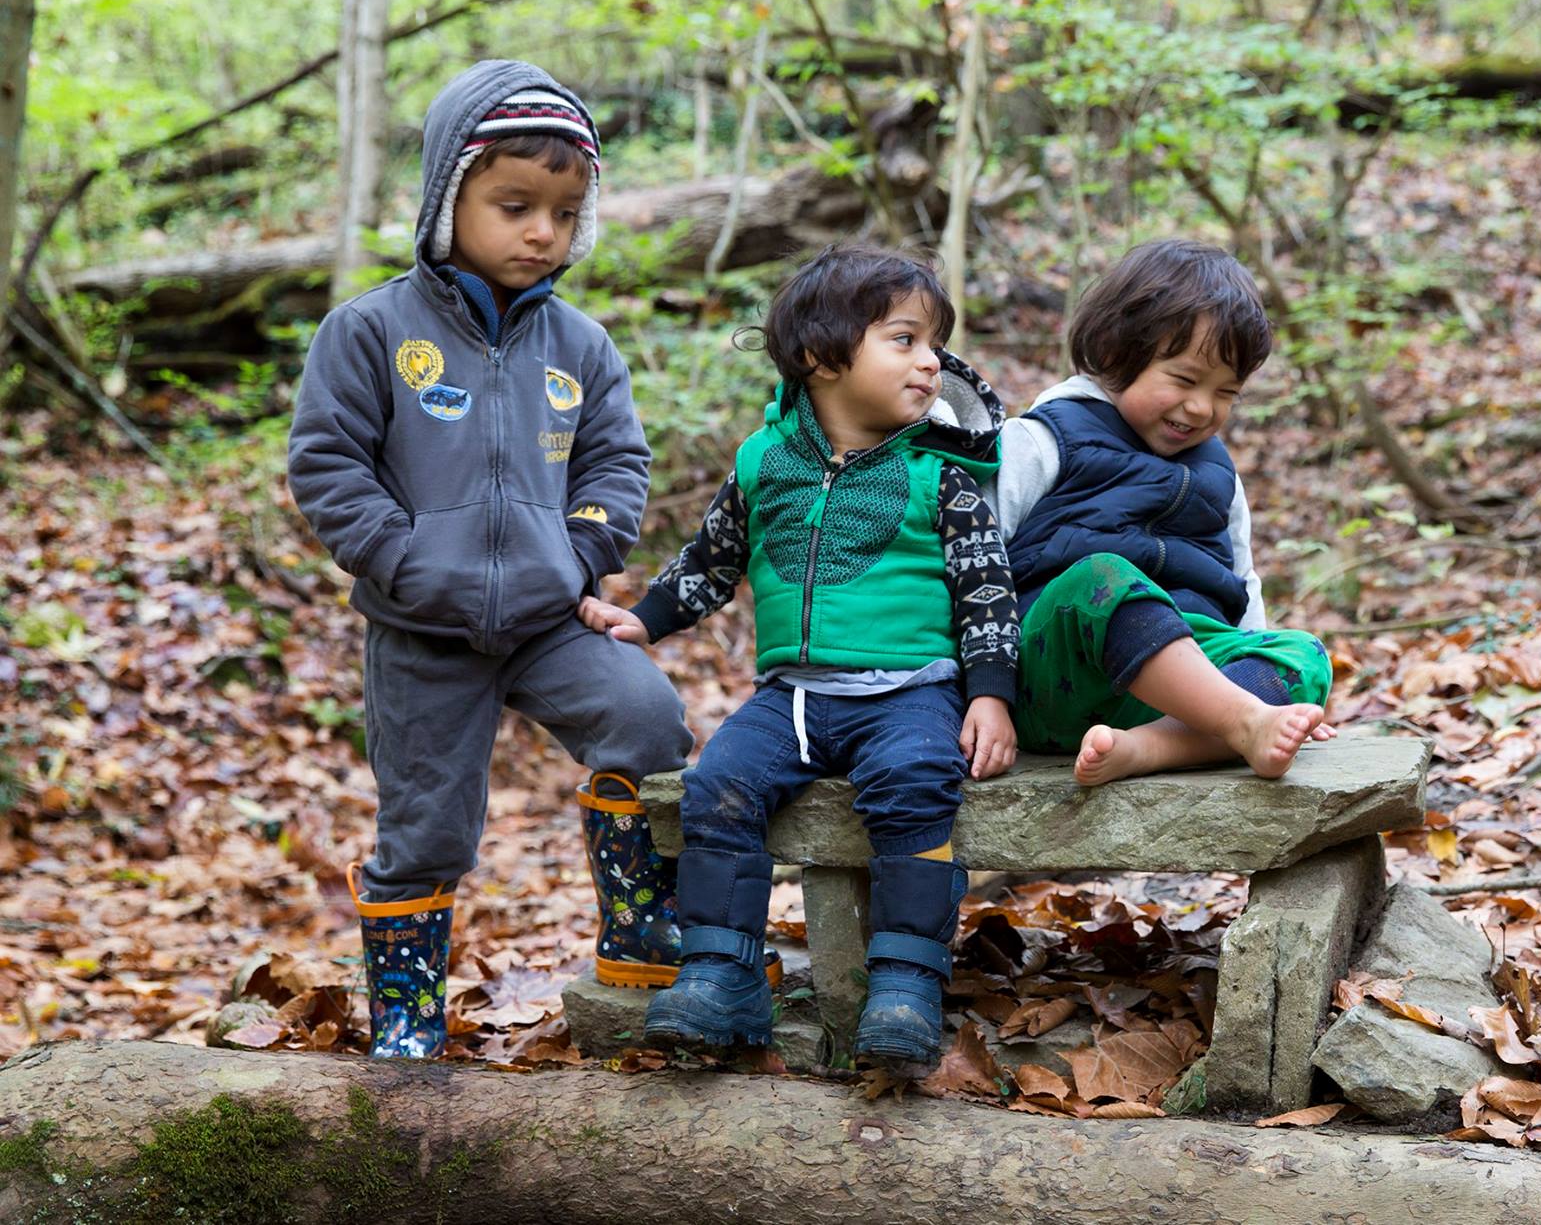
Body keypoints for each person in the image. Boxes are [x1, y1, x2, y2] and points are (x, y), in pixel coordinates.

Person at [288, 59, 694, 1059]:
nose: (540, 231)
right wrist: (401, 560)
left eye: (562, 209)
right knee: (428, 827)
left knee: (646, 718)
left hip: (552, 622)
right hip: (423, 628)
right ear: (445, 197)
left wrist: (585, 546)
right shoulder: (372, 332)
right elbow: (327, 461)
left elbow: (617, 459)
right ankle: (410, 1020)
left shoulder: (582, 347)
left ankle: (640, 931)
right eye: (513, 204)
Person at [579, 245, 1019, 1075]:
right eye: (904, 339)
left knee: (916, 782)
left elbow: (987, 590)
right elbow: (712, 559)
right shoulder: (763, 462)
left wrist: (989, 695)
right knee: (718, 787)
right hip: (791, 698)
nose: (932, 361)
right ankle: (721, 971)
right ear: (822, 357)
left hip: (910, 691)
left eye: (935, 343)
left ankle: (904, 983)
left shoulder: (943, 473)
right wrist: (643, 620)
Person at [994, 238, 1334, 786]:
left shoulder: (1219, 476)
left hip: (1178, 694)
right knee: (1103, 576)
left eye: (1227, 392)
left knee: (1305, 655)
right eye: (1183, 379)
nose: (1202, 408)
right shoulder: (1039, 439)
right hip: (1054, 676)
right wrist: (977, 694)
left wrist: (1263, 678)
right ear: (1113, 350)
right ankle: (1238, 720)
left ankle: (1154, 747)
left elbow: (1242, 585)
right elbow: (967, 565)